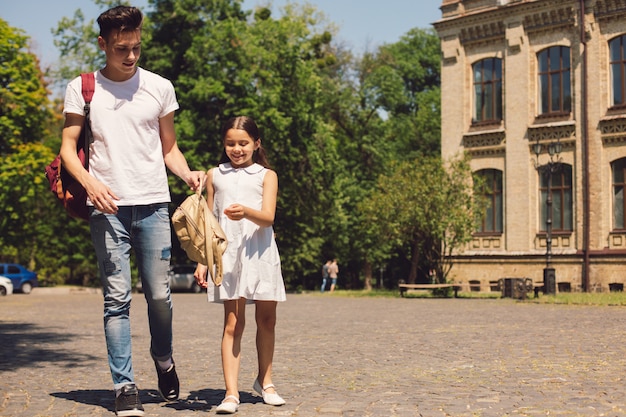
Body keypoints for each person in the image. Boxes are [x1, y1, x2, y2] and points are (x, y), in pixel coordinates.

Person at [59, 6, 205, 417]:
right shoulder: (83, 88)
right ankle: (124, 386)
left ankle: (164, 358)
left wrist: (187, 173)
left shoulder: (159, 87)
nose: (131, 56)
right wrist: (90, 184)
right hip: (106, 208)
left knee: (160, 295)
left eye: (137, 47)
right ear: (103, 44)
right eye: (122, 48)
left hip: (155, 205)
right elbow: (67, 150)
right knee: (116, 298)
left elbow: (168, 147)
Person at [194, 116, 287, 414]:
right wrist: (203, 261)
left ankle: (266, 381)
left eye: (243, 143)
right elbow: (208, 222)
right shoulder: (214, 175)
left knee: (267, 320)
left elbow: (269, 217)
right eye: (231, 143)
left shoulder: (266, 175)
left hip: (259, 253)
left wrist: (246, 211)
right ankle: (231, 393)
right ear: (224, 144)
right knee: (233, 323)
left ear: (256, 143)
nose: (237, 149)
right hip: (228, 256)